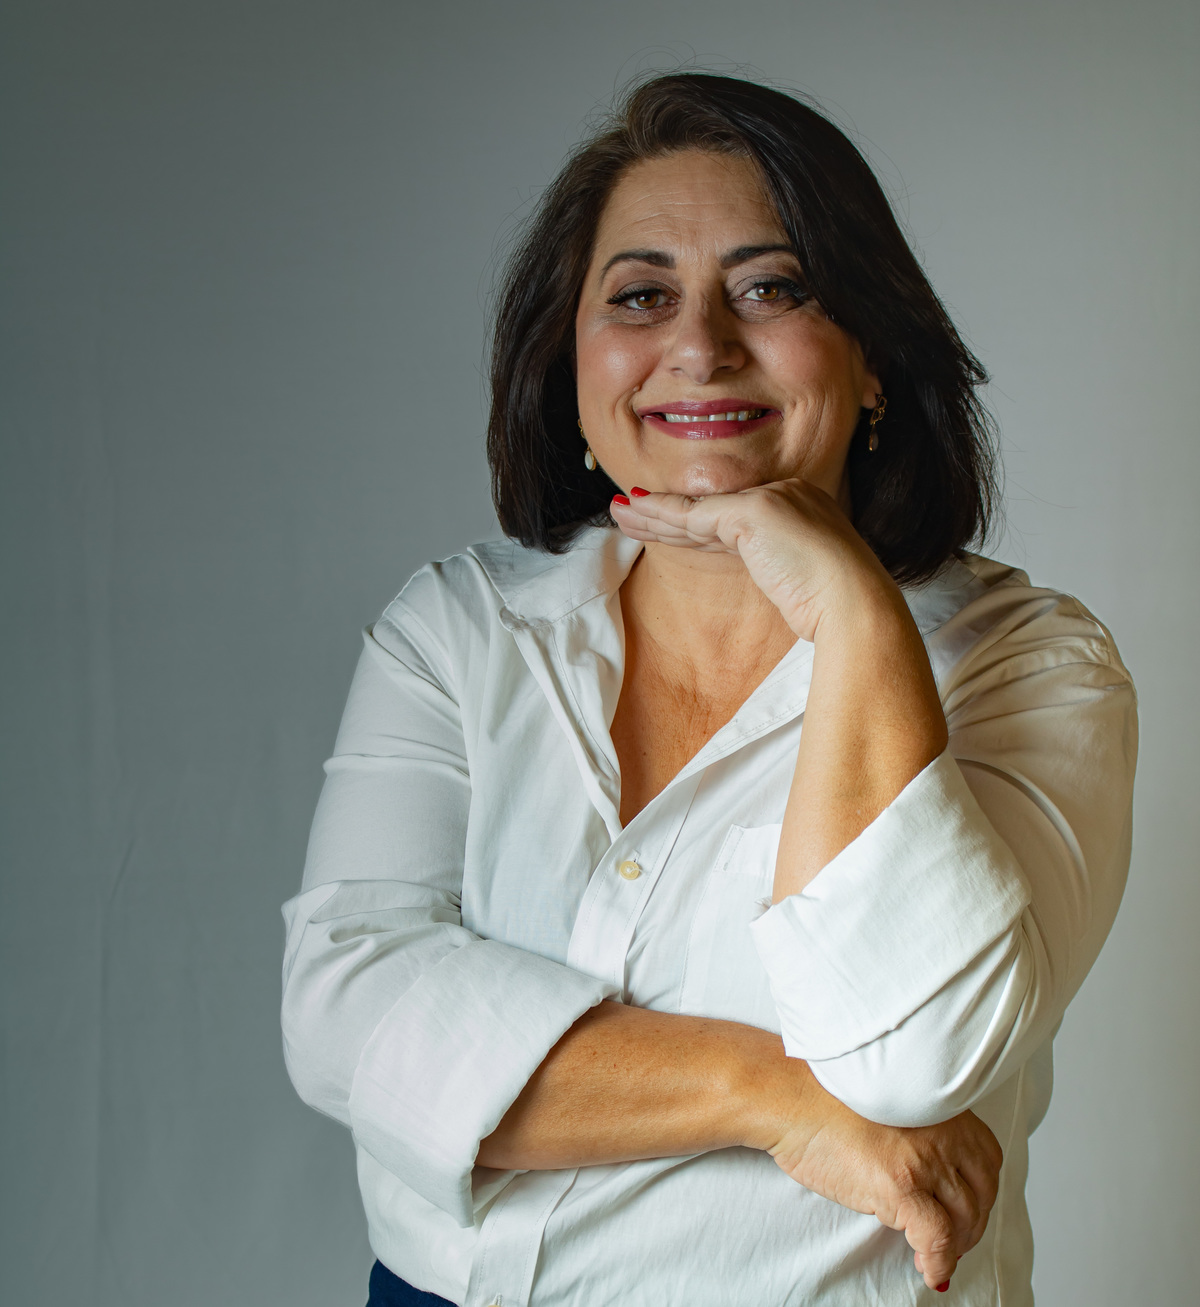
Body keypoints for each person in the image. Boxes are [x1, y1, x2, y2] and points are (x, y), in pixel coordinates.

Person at [280, 73, 1137, 1307]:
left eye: (771, 288)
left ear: (874, 359)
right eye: (641, 295)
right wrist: (773, 1095)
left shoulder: (1032, 665)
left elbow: (914, 1057)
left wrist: (854, 610)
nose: (699, 344)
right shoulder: (459, 630)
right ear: (572, 366)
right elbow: (347, 1012)